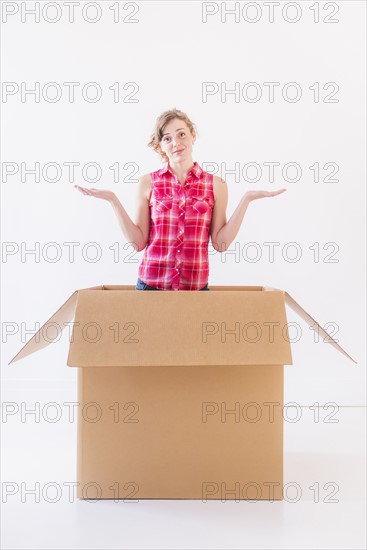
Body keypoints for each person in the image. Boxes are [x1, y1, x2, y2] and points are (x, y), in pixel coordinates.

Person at [75, 108, 286, 291]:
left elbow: (220, 243)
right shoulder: (147, 183)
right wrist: (113, 199)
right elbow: (138, 243)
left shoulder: (216, 185)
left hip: (195, 290)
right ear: (161, 145)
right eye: (167, 138)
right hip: (151, 287)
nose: (176, 143)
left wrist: (247, 199)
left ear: (193, 135)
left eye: (181, 134)